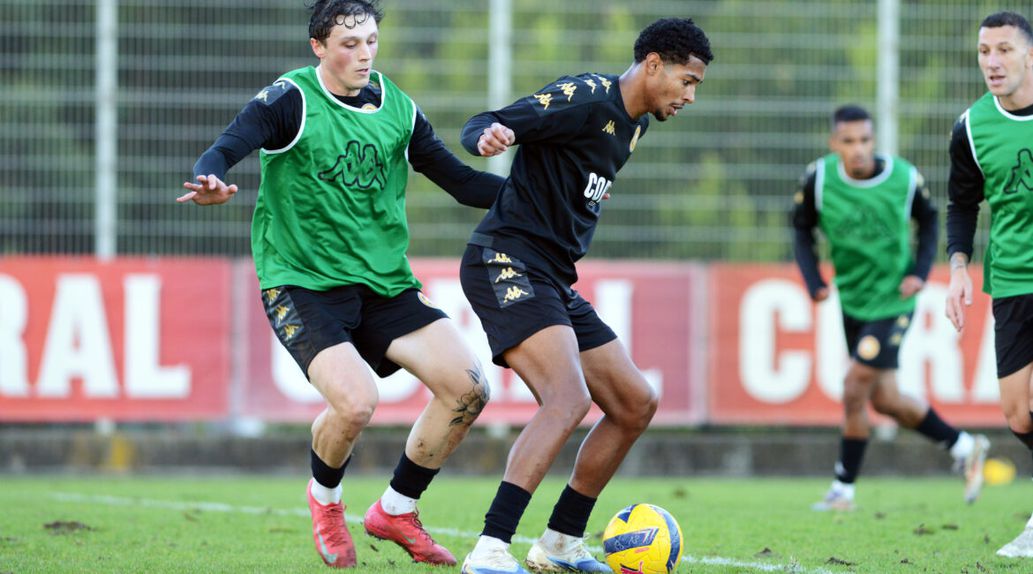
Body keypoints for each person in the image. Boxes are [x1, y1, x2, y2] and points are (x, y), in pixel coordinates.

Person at [178, 0, 502, 568]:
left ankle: (397, 509)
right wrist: (212, 176)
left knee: (470, 388)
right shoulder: (293, 99)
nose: (364, 53)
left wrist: (542, 193)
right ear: (319, 48)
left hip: (384, 286)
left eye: (371, 40)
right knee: (356, 403)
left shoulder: (399, 107)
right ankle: (326, 501)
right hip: (301, 283)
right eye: (349, 44)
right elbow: (230, 143)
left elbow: (460, 182)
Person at [454, 18, 713, 574]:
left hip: (550, 276)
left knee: (634, 402)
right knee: (567, 400)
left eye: (696, 86)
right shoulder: (585, 98)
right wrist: (486, 137)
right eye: (687, 81)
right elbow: (488, 121)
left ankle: (560, 543)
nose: (690, 95)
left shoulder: (635, 127)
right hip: (506, 260)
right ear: (652, 65)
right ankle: (490, 549)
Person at [793, 105, 990, 512]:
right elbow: (800, 227)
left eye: (864, 140)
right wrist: (814, 281)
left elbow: (931, 220)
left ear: (873, 140)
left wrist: (919, 272)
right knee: (885, 400)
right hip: (852, 299)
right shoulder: (820, 179)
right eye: (848, 142)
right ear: (835, 144)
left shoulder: (902, 178)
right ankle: (966, 446)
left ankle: (843, 490)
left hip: (894, 300)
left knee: (852, 386)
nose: (858, 149)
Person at [946, 10, 1033, 559]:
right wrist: (958, 268)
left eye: (1003, 49)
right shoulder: (972, 128)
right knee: (1020, 412)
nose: (993, 62)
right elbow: (962, 204)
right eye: (984, 52)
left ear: (1030, 54)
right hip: (1012, 279)